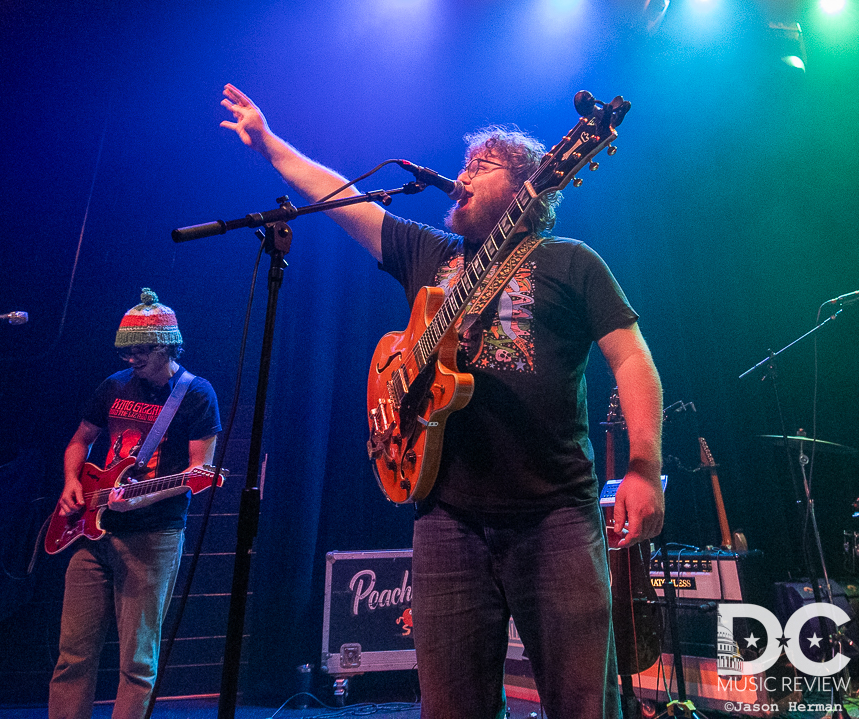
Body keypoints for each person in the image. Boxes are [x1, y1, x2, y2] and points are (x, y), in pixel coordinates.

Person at [220, 83, 664, 719]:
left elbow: (632, 359)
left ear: (526, 187)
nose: (461, 177)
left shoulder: (571, 262)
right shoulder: (431, 254)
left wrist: (644, 467)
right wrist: (268, 144)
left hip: (555, 516)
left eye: (480, 167)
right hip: (446, 518)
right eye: (462, 165)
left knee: (582, 704)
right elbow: (342, 197)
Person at [48, 289, 221, 719]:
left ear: (166, 345)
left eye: (140, 351)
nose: (132, 360)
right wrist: (72, 480)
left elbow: (198, 474)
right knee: (73, 656)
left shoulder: (196, 394)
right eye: (127, 351)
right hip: (92, 533)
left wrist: (139, 499)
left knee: (137, 664)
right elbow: (80, 441)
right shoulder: (113, 385)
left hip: (153, 536)